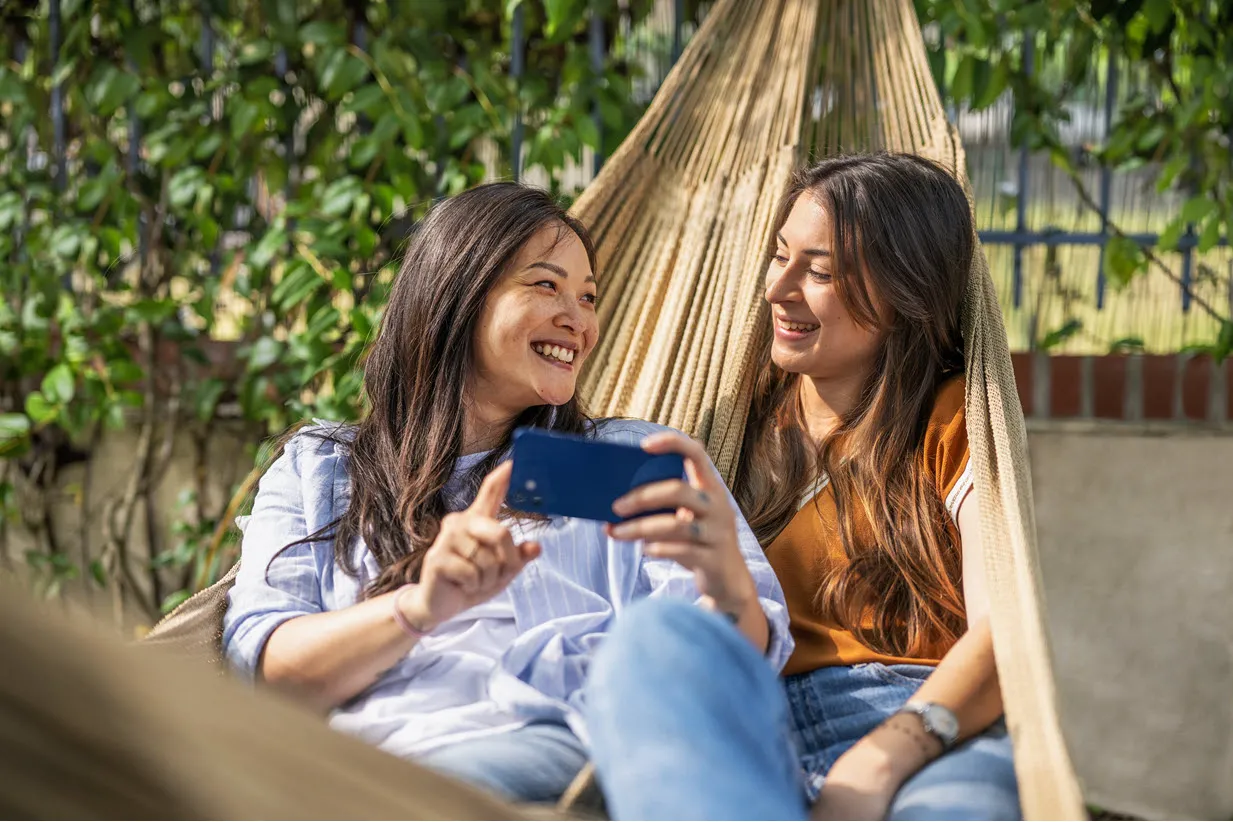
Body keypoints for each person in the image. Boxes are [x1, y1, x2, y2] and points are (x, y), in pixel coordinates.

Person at [222, 182, 792, 804]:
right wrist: (422, 606)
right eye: (546, 285)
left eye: (589, 297)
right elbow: (271, 672)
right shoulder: (324, 468)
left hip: (568, 752)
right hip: (373, 764)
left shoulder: (630, 459)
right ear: (457, 295)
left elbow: (729, 667)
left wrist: (724, 583)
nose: (579, 318)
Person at [584, 153, 1021, 820]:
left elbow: (1005, 629)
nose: (777, 288)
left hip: (921, 721)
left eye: (819, 272)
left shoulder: (953, 419)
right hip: (752, 720)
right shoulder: (730, 426)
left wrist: (881, 758)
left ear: (903, 295)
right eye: (779, 255)